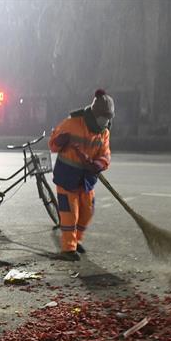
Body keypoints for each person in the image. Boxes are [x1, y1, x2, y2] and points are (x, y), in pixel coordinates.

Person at [48, 89, 113, 261]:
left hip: (86, 180)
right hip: (67, 177)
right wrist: (59, 141)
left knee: (88, 211)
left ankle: (76, 240)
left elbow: (105, 155)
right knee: (70, 214)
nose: (104, 121)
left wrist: (97, 165)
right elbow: (53, 144)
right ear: (94, 114)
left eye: (107, 118)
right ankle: (68, 249)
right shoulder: (72, 123)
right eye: (102, 117)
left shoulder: (103, 132)